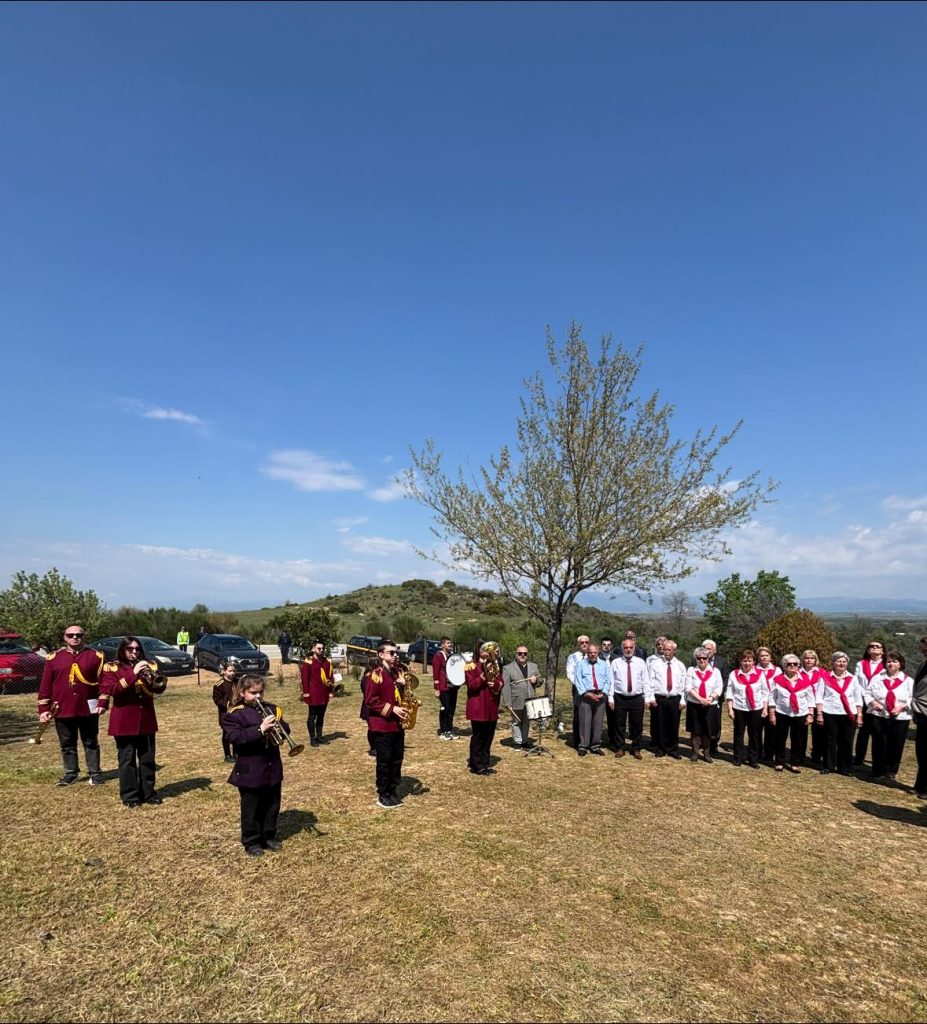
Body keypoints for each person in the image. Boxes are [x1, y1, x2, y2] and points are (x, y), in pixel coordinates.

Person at [221, 674, 289, 855]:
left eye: (260, 692)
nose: (258, 696)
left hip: (271, 765)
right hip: (250, 767)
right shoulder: (235, 714)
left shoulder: (272, 708)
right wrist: (260, 729)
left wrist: (280, 729)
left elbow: (286, 728)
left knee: (272, 803)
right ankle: (251, 841)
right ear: (242, 692)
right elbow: (234, 737)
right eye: (253, 693)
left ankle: (268, 836)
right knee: (252, 807)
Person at [37, 624, 106, 787]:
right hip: (62, 707)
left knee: (90, 742)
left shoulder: (96, 656)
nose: (75, 637)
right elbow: (46, 685)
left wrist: (103, 702)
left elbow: (103, 682)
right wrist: (43, 709)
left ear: (84, 637)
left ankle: (95, 773)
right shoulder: (54, 658)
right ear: (65, 637)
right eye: (71, 635)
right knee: (67, 743)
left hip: (88, 707)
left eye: (78, 635)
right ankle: (70, 772)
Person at [98, 637, 162, 807]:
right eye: (130, 649)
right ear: (122, 650)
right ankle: (130, 796)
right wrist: (133, 673)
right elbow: (111, 690)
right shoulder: (112, 667)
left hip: (146, 719)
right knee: (127, 760)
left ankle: (149, 793)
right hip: (124, 720)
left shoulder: (150, 665)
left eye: (137, 649)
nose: (134, 652)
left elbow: (158, 688)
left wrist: (155, 681)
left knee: (147, 758)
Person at [363, 641, 409, 807]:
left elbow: (400, 696)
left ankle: (393, 789)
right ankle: (383, 794)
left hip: (397, 724)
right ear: (381, 655)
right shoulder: (376, 674)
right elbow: (370, 701)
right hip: (382, 725)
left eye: (396, 653)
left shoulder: (397, 672)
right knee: (384, 761)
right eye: (391, 653)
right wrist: (392, 709)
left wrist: (404, 687)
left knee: (397, 759)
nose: (395, 655)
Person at [864, 651, 913, 781]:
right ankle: (877, 770)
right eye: (889, 661)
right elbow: (867, 693)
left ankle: (891, 770)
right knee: (879, 742)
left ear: (900, 664)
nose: (891, 664)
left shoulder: (908, 681)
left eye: (895, 661)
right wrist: (874, 703)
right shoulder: (877, 678)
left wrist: (902, 707)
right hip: (879, 715)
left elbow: (913, 698)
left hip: (900, 717)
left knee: (896, 744)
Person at [815, 651, 864, 776]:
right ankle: (828, 766)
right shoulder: (825, 677)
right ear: (833, 663)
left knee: (847, 741)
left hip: (849, 714)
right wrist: (819, 713)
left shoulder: (853, 679)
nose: (841, 664)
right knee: (830, 740)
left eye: (844, 661)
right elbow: (819, 696)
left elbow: (858, 698)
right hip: (830, 712)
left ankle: (844, 767)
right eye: (838, 661)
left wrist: (859, 715)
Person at [767, 654, 815, 773]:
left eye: (795, 664)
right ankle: (779, 762)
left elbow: (810, 699)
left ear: (798, 665)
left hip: (800, 714)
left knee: (798, 739)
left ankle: (795, 763)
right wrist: (772, 713)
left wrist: (810, 714)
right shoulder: (777, 680)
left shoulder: (805, 680)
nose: (792, 666)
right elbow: (772, 697)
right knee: (780, 738)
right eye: (789, 664)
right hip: (782, 712)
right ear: (784, 666)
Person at [608, 638, 652, 759]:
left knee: (637, 724)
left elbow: (645, 681)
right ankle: (620, 747)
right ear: (622, 649)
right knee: (619, 724)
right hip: (620, 697)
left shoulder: (640, 662)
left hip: (637, 698)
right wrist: (610, 698)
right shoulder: (615, 662)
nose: (628, 650)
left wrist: (647, 698)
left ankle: (636, 748)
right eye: (626, 647)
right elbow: (611, 681)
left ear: (634, 648)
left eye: (630, 647)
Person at [725, 649, 770, 769]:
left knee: (754, 735)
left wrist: (765, 708)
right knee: (739, 734)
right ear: (740, 661)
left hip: (756, 708)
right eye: (744, 661)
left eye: (749, 661)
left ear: (753, 662)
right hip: (739, 708)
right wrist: (730, 709)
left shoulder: (760, 674)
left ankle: (753, 759)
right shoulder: (734, 674)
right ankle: (738, 758)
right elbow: (730, 692)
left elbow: (765, 692)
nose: (747, 663)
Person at [465, 641, 503, 775]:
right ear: (479, 651)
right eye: (485, 650)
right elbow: (471, 685)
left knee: (488, 737)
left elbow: (501, 681)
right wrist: (482, 679)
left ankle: (485, 763)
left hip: (491, 706)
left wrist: (496, 684)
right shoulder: (470, 666)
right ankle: (476, 765)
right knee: (478, 737)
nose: (488, 653)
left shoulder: (494, 665)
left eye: (489, 650)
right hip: (478, 706)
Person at [648, 639, 686, 758]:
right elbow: (650, 682)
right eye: (665, 649)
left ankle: (673, 749)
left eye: (669, 650)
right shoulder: (655, 664)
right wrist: (651, 698)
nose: (666, 652)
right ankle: (661, 749)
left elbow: (684, 685)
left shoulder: (680, 665)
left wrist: (683, 700)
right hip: (660, 698)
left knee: (674, 725)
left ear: (674, 651)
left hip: (675, 698)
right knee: (660, 724)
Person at [685, 646, 723, 763]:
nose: (702, 660)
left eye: (704, 658)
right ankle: (695, 753)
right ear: (696, 659)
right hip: (695, 704)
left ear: (708, 658)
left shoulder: (715, 671)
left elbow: (719, 687)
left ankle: (707, 753)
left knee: (708, 730)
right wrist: (700, 699)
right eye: (699, 658)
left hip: (710, 704)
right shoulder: (691, 670)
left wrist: (710, 698)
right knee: (695, 730)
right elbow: (688, 687)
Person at [501, 644, 542, 749]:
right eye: (520, 653)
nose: (522, 655)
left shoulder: (533, 666)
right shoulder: (507, 668)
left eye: (525, 653)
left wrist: (536, 680)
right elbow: (505, 687)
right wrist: (507, 702)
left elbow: (540, 681)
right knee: (516, 721)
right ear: (516, 654)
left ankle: (524, 740)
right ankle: (517, 742)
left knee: (527, 721)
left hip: (530, 699)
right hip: (516, 699)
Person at [852, 639, 885, 767]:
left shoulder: (886, 664)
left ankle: (879, 761)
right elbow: (856, 682)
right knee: (862, 732)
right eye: (871, 646)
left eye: (878, 646)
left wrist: (874, 699)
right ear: (867, 650)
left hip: (878, 702)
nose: (874, 647)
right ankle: (858, 758)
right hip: (863, 701)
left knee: (878, 732)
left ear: (882, 651)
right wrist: (866, 696)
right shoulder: (861, 664)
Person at [573, 642, 608, 756]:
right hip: (586, 696)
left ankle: (595, 746)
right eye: (590, 652)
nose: (592, 654)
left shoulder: (603, 664)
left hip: (600, 696)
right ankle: (583, 746)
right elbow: (578, 680)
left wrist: (604, 693)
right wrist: (585, 693)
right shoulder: (581, 664)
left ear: (598, 653)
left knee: (598, 723)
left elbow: (608, 680)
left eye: (595, 652)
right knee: (585, 721)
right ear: (587, 653)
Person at [299, 641, 334, 746]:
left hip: (324, 694)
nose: (321, 650)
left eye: (322, 648)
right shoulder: (309, 662)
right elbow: (305, 679)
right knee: (312, 717)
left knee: (321, 716)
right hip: (314, 694)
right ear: (313, 649)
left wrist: (330, 691)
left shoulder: (326, 662)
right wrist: (306, 693)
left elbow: (330, 677)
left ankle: (319, 736)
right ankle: (313, 738)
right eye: (319, 648)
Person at [701, 639, 728, 754]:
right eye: (705, 649)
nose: (707, 651)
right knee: (702, 720)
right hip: (701, 697)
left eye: (709, 649)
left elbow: (725, 678)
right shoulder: (697, 660)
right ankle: (702, 742)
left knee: (715, 721)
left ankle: (713, 744)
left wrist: (717, 693)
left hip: (716, 698)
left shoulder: (722, 661)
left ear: (714, 650)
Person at [800, 650, 826, 765]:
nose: (809, 660)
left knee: (819, 731)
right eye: (806, 658)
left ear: (815, 660)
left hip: (818, 705)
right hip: (803, 705)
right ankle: (800, 755)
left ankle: (817, 755)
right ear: (803, 660)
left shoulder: (822, 672)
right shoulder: (798, 672)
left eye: (812, 658)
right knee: (801, 732)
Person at [755, 647, 781, 762]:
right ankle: (757, 752)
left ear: (770, 657)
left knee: (771, 729)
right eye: (762, 656)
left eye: (766, 655)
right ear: (758, 658)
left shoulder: (777, 670)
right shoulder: (754, 669)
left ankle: (769, 753)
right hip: (758, 703)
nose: (764, 657)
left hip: (773, 703)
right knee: (757, 729)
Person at [565, 635, 590, 748]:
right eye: (582, 642)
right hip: (578, 688)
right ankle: (577, 741)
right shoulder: (573, 657)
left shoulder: (593, 655)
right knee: (578, 713)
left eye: (586, 642)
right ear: (578, 644)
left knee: (590, 713)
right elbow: (570, 673)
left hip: (591, 688)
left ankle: (589, 740)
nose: (584, 644)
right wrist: (580, 685)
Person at [432, 636, 458, 740]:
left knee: (451, 709)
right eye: (447, 643)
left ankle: (449, 729)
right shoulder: (439, 655)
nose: (450, 645)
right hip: (443, 687)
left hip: (452, 687)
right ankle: (443, 731)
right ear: (442, 645)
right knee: (445, 709)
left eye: (450, 643)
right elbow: (436, 673)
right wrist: (436, 688)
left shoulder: (451, 655)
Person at [212, 661, 239, 762]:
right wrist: (228, 704)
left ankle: (236, 753)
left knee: (237, 733)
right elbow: (217, 699)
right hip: (225, 714)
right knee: (227, 734)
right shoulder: (219, 684)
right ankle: (227, 755)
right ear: (224, 671)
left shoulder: (238, 682)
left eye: (234, 671)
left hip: (237, 713)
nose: (232, 673)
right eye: (230, 671)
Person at [912, 635, 927, 798]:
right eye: (922, 648)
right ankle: (920, 784)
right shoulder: (923, 665)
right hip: (921, 712)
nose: (923, 651)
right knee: (921, 751)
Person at [599, 637, 620, 748]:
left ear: (611, 646)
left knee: (613, 716)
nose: (606, 646)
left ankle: (613, 739)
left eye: (608, 644)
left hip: (614, 691)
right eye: (604, 644)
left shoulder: (617, 658)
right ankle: (596, 739)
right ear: (601, 646)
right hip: (600, 690)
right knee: (598, 716)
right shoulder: (596, 657)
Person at [358, 655, 379, 758]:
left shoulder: (374, 676)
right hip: (369, 707)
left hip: (376, 706)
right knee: (372, 728)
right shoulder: (367, 678)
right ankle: (373, 748)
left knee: (376, 728)